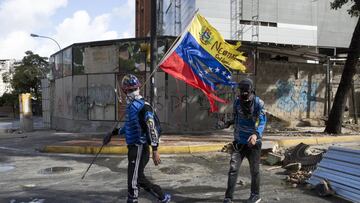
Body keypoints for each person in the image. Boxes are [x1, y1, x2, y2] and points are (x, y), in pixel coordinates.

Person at [103, 74, 171, 203]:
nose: (130, 92)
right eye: (128, 90)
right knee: (138, 177)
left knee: (133, 179)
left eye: (132, 90)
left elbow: (151, 128)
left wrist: (155, 150)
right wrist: (112, 133)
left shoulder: (144, 107)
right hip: (133, 147)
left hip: (140, 147)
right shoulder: (131, 107)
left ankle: (133, 199)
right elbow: (129, 127)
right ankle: (161, 196)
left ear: (137, 89)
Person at [223, 78, 267, 203]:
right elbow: (236, 117)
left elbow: (262, 121)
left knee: (254, 171)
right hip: (238, 142)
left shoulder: (259, 103)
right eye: (241, 91)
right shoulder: (237, 102)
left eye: (246, 91)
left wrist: (255, 134)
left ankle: (255, 195)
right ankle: (228, 197)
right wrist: (229, 123)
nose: (243, 94)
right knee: (233, 169)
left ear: (251, 90)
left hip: (253, 143)